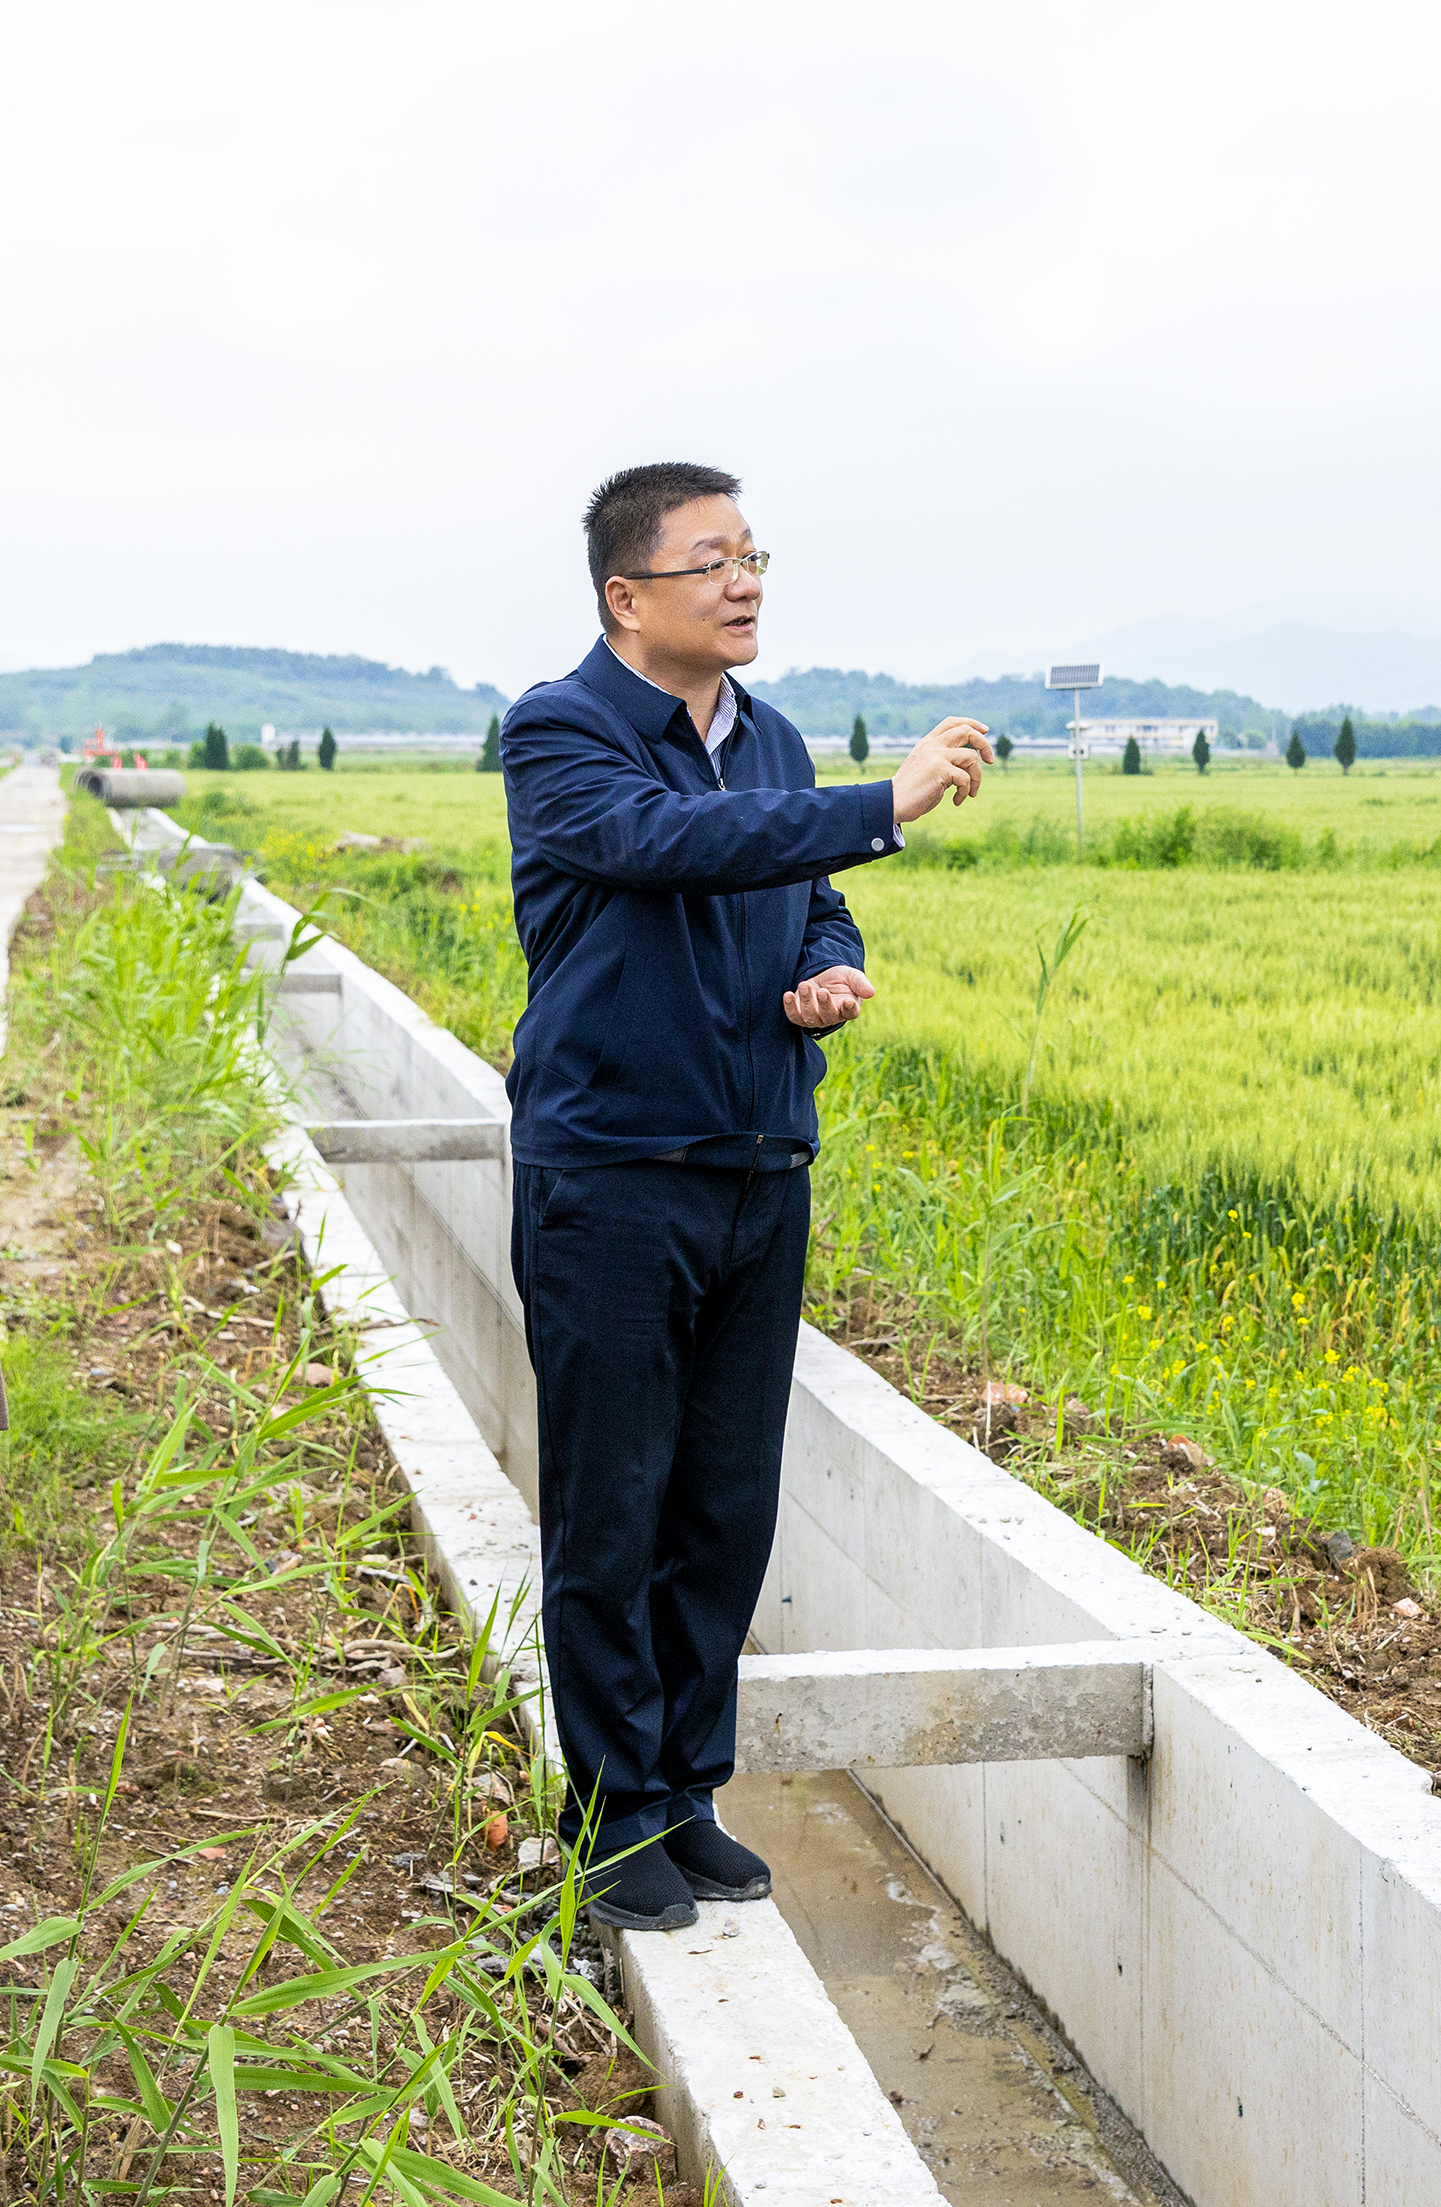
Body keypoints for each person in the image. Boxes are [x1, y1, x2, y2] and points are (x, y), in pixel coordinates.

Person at [500, 463, 989, 1929]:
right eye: (710, 559)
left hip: (759, 1167)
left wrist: (827, 961)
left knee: (723, 1504)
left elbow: (799, 887)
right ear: (625, 595)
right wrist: (878, 807)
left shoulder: (769, 736)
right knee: (613, 1505)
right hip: (612, 1179)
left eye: (754, 554)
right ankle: (608, 1812)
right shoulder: (563, 732)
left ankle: (683, 1789)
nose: (744, 580)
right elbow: (671, 847)